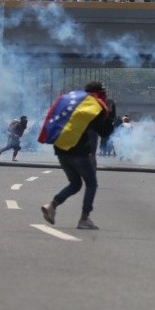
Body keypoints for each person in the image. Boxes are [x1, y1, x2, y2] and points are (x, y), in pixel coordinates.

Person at [39, 81, 116, 230]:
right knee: (91, 183)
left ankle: (52, 205)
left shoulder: (72, 100)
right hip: (78, 151)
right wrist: (109, 114)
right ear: (97, 93)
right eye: (103, 93)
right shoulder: (94, 107)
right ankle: (84, 219)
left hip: (61, 149)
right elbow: (105, 132)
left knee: (75, 184)